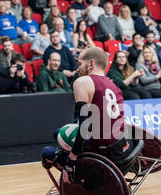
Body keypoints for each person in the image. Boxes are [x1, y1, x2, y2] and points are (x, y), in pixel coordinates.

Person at [41, 46, 135, 182]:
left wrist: (71, 161)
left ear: (91, 64)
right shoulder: (114, 86)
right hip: (122, 152)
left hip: (102, 156)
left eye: (79, 64)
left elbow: (85, 127)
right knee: (58, 133)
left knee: (46, 152)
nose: (77, 69)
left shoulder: (82, 82)